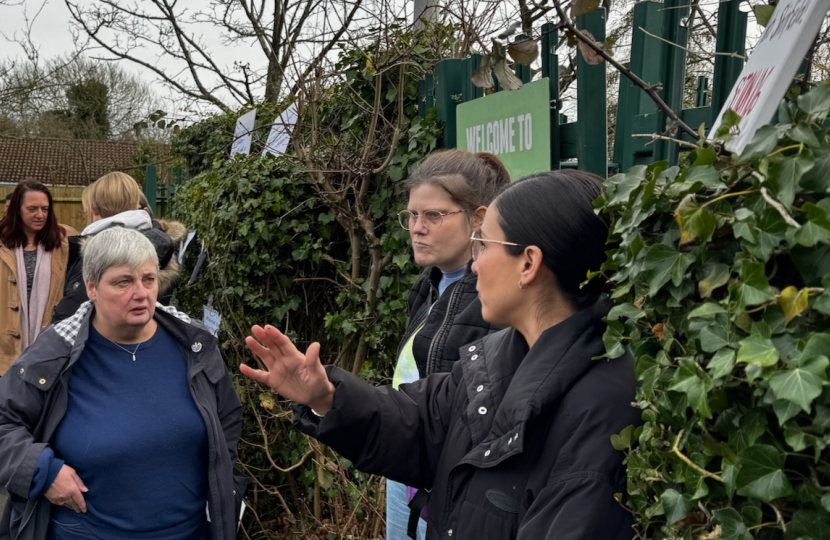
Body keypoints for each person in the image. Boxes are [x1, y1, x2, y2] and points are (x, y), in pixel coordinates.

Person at [241, 170, 641, 540]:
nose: (475, 263)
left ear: (529, 263)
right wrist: (325, 395)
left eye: (483, 244)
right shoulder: (499, 354)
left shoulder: (602, 409)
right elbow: (419, 426)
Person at [0, 227, 246, 540]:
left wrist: (226, 488)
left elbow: (227, 421)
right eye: (123, 282)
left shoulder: (194, 346)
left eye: (148, 279)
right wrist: (42, 472)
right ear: (92, 287)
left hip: (190, 532)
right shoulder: (53, 355)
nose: (141, 293)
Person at [388, 150, 508, 539]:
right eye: (412, 215)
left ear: (478, 218)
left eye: (434, 215)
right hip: (404, 475)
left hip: (453, 486)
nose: (417, 228)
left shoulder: (494, 301)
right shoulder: (427, 287)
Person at [51, 172, 187, 322]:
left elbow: (69, 315)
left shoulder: (98, 253)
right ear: (137, 204)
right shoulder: (160, 245)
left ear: (94, 210)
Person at [0, 181, 77, 376]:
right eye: (32, 209)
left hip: (50, 343)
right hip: (5, 347)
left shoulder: (65, 241)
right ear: (17, 209)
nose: (40, 215)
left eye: (45, 209)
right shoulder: (2, 242)